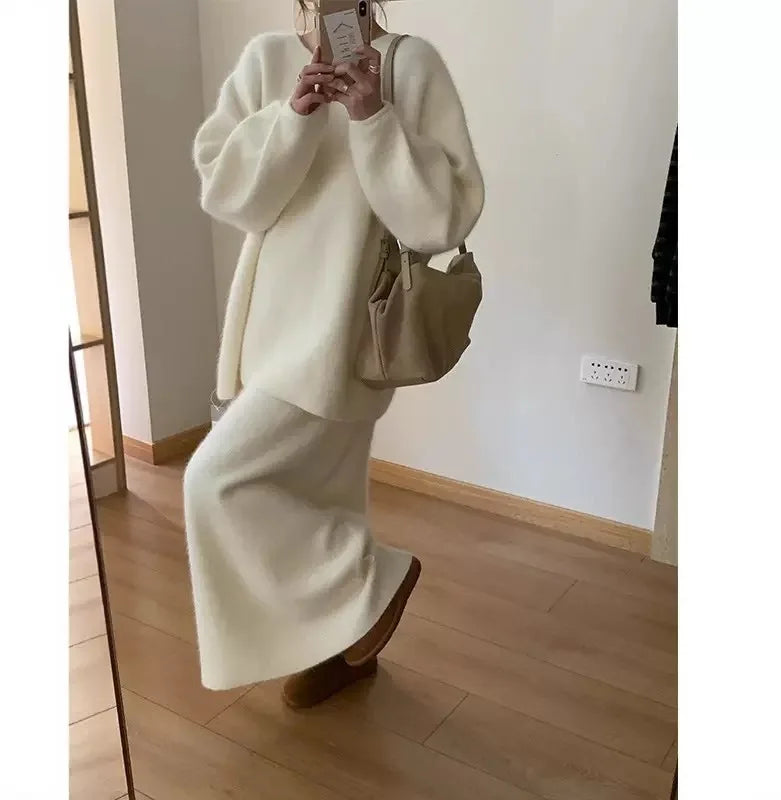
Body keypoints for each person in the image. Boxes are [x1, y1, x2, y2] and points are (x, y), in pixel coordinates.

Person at [184, 1, 484, 708]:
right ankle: (342, 650)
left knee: (212, 481)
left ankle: (373, 583)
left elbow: (441, 220)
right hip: (265, 329)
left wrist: (374, 117)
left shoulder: (411, 66)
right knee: (323, 496)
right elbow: (230, 196)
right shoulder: (265, 61)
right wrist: (291, 119)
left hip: (344, 330)